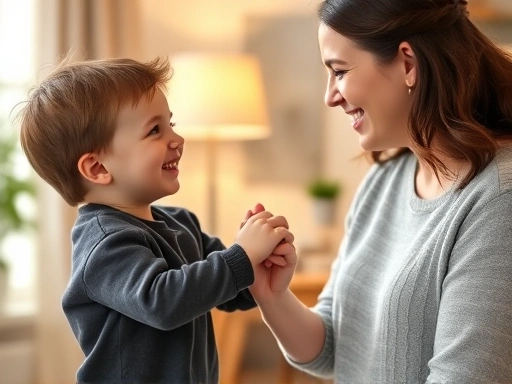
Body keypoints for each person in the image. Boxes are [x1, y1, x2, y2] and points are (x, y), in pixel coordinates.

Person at [248, 0, 512, 383]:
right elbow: (334, 347)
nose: (330, 96)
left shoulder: (498, 200)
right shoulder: (383, 181)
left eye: (339, 71)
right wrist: (270, 296)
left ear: (408, 63)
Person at [17, 56, 296, 383]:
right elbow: (163, 302)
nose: (176, 139)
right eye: (155, 130)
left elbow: (226, 289)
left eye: (171, 124)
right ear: (98, 168)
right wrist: (242, 257)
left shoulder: (181, 223)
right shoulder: (104, 244)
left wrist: (260, 264)